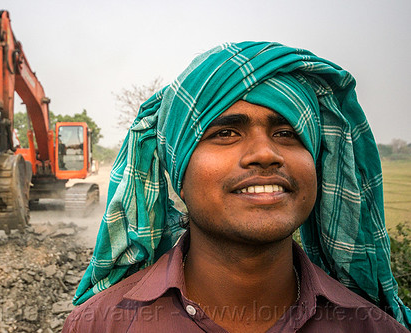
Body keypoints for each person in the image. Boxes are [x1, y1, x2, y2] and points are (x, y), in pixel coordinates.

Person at [63, 42, 411, 332]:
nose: (265, 153)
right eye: (225, 133)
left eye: (287, 133)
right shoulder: (101, 324)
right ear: (178, 172)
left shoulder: (375, 327)